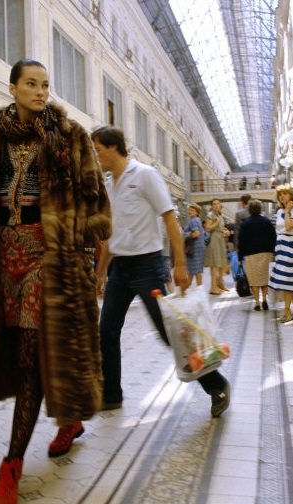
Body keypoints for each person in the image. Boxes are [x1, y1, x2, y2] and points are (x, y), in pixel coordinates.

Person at [0, 59, 111, 504]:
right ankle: (70, 418)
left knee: (29, 354)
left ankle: (12, 464)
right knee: (28, 350)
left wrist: (86, 252)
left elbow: (94, 196)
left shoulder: (70, 135)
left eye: (46, 84)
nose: (41, 91)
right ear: (13, 87)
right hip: (5, 254)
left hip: (53, 255)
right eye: (31, 83)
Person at [89, 125, 231, 421]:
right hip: (120, 269)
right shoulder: (108, 183)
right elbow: (111, 234)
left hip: (147, 266)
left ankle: (216, 385)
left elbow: (170, 220)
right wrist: (101, 272)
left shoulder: (144, 175)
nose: (95, 155)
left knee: (171, 334)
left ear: (113, 147)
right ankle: (111, 395)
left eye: (98, 149)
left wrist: (179, 265)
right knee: (106, 331)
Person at [268, 184, 293, 322]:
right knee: (289, 279)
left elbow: (289, 227)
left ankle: (287, 311)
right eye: (280, 194)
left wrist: (288, 211)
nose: (282, 196)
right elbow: (278, 229)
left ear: (291, 195)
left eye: (285, 193)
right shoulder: (279, 212)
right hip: (282, 245)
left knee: (288, 279)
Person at [237, 200, 276, 311]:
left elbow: (241, 241)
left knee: (254, 279)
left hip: (251, 255)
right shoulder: (267, 222)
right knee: (264, 278)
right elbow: (273, 237)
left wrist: (240, 256)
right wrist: (273, 251)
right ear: (260, 209)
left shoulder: (245, 224)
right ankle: (264, 299)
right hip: (266, 253)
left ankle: (256, 302)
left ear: (249, 210)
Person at [203, 198, 230, 294]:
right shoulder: (210, 215)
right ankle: (213, 287)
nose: (216, 205)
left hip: (220, 240)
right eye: (214, 204)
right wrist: (217, 223)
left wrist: (225, 231)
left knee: (222, 263)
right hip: (214, 240)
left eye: (218, 203)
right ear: (211, 206)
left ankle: (220, 283)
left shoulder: (219, 215)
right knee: (214, 264)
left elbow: (221, 228)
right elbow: (208, 228)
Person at [183, 202, 206, 287]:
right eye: (189, 210)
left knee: (194, 271)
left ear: (197, 212)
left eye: (192, 210)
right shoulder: (197, 220)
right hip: (198, 248)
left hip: (194, 249)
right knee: (195, 271)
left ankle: (189, 290)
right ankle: (194, 290)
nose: (190, 211)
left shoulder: (193, 221)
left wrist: (184, 234)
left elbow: (196, 233)